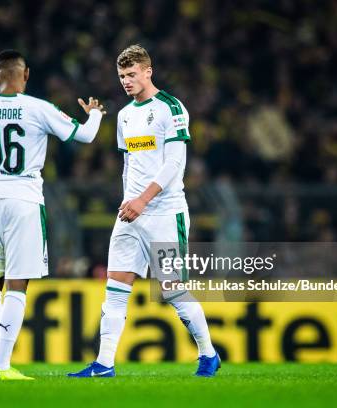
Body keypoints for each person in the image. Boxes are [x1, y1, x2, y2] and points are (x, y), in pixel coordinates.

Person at [0, 49, 106, 381]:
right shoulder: (39, 108)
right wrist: (97, 113)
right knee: (17, 283)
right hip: (25, 197)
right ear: (25, 74)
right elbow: (86, 136)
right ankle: (2, 366)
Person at [68, 45, 220, 378]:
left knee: (172, 289)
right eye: (122, 76)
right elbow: (129, 165)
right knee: (116, 285)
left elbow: (175, 164)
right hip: (131, 214)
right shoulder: (124, 115)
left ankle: (208, 354)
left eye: (132, 74)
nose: (126, 81)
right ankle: (104, 363)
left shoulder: (171, 108)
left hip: (164, 213)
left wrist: (143, 200)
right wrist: (129, 200)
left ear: (148, 71)